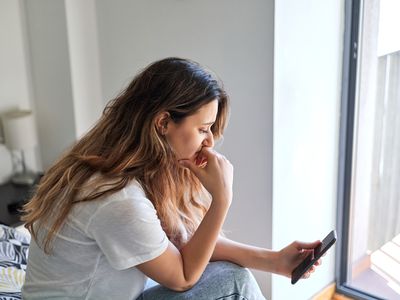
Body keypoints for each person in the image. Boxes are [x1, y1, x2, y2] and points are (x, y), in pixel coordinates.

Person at [21, 57, 321, 300]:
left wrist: (274, 260)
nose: (209, 143)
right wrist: (222, 199)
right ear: (163, 122)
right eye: (203, 129)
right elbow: (182, 277)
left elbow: (186, 244)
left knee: (225, 273)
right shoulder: (115, 198)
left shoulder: (117, 164)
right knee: (233, 282)